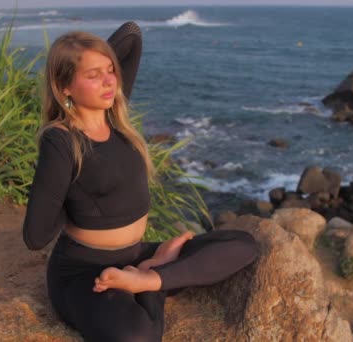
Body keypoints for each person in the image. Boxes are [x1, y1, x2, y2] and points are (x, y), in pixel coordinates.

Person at [22, 21, 259, 341]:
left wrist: (91, 58)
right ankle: (155, 276)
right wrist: (68, 190)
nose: (109, 82)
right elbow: (35, 236)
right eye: (93, 76)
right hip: (84, 271)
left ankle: (148, 277)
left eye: (110, 70)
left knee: (243, 246)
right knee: (137, 336)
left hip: (137, 254)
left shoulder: (114, 116)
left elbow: (131, 34)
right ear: (64, 86)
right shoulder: (61, 141)